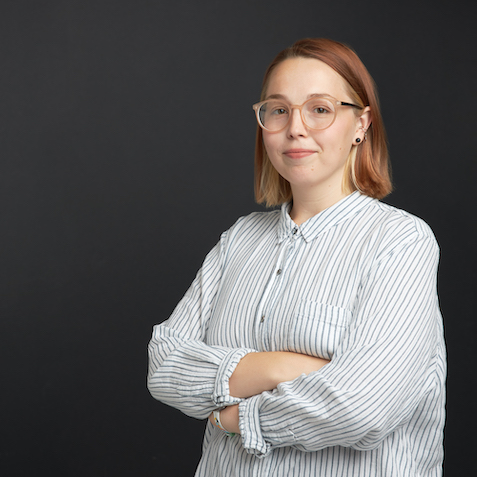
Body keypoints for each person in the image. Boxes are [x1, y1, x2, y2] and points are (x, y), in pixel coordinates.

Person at [147, 38, 446, 476]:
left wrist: (234, 416)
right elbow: (165, 366)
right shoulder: (240, 240)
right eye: (279, 109)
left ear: (361, 123)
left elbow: (361, 406)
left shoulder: (400, 241)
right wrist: (282, 367)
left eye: (320, 109)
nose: (296, 128)